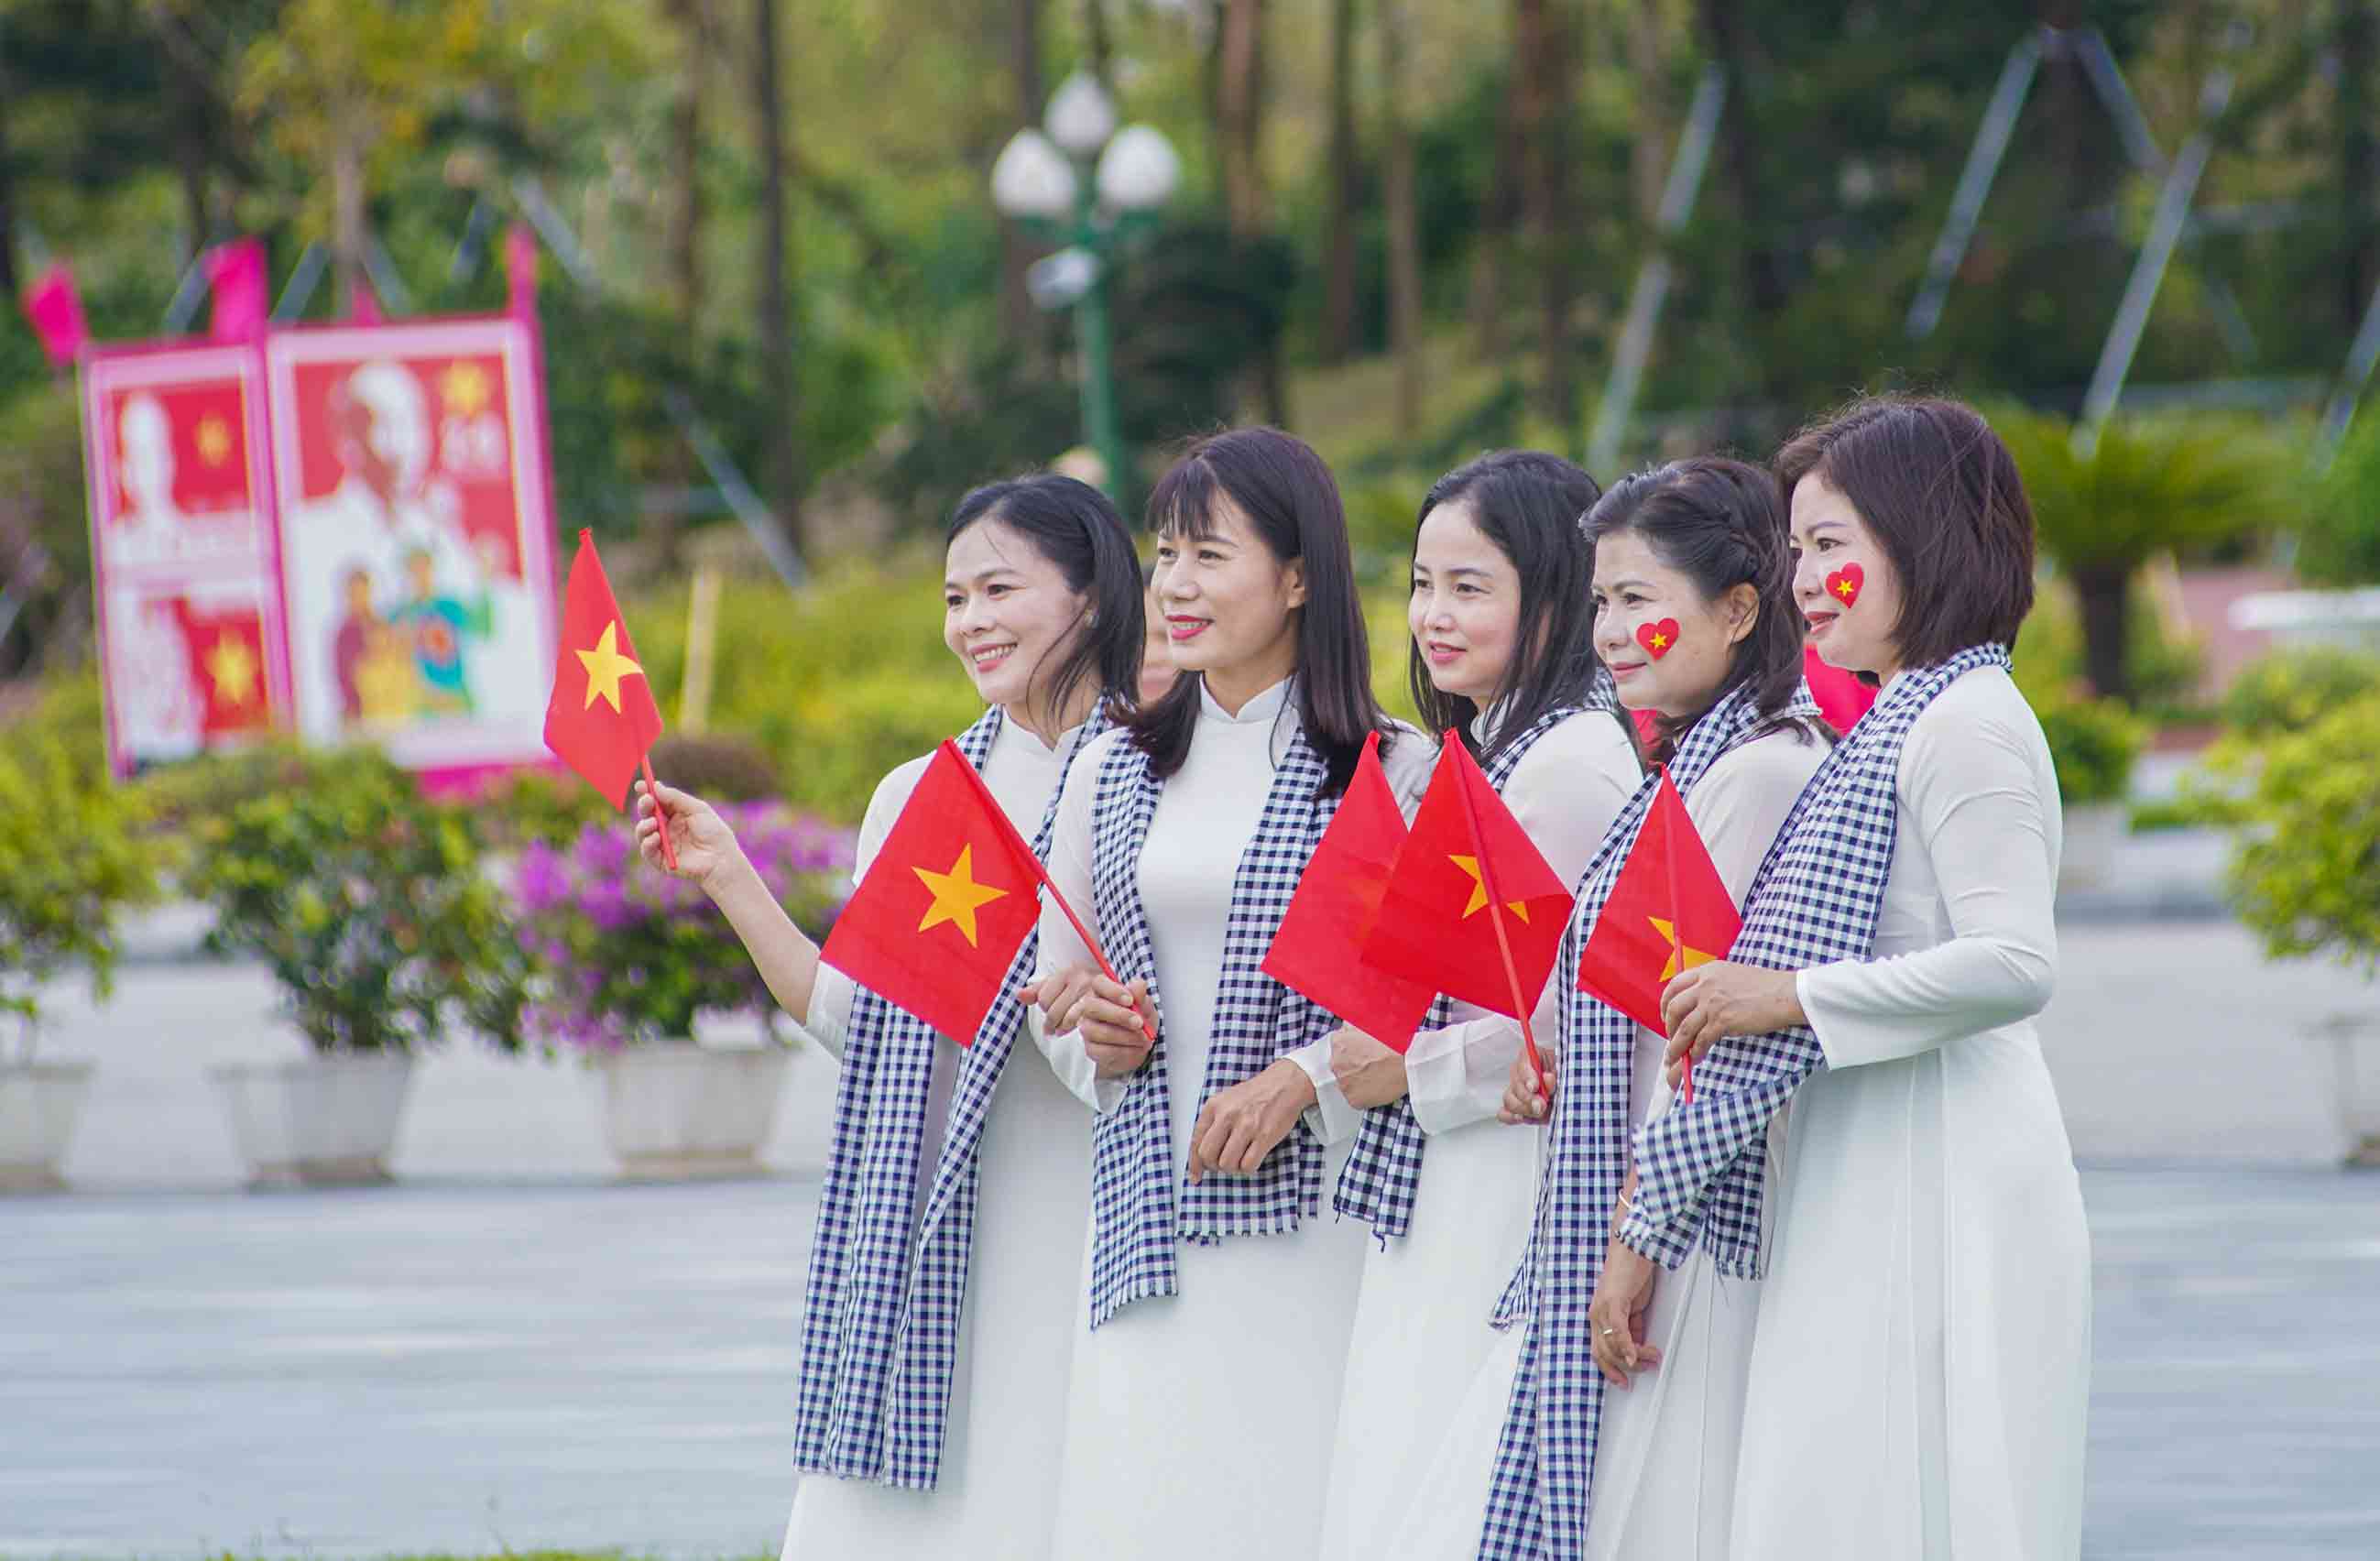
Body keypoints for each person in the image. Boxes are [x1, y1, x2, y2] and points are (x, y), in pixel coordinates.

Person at [635, 473, 1146, 1561]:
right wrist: (731, 875)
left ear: (1093, 595)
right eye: (954, 599)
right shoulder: (929, 795)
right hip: (940, 1232)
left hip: (1105, 1218)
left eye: (999, 589)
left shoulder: (1160, 771)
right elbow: (855, 1022)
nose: (971, 623)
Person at [1618, 398, 2089, 1559]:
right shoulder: (1906, 715)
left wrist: (1787, 995)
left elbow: (2015, 961)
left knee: (1908, 1490)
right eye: (1797, 550)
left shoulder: (1964, 720)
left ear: (1923, 539)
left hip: (1939, 1155)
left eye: (1832, 545)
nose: (1803, 580)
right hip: (1871, 1147)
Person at [1390, 457, 1831, 1560]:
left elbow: (1719, 1051)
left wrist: (1633, 1242)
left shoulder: (1756, 773)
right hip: (1623, 1220)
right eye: (1601, 602)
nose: (1612, 632)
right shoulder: (1691, 768)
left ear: (1738, 609)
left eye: (1640, 602)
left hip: (1675, 1238)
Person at [1024, 426, 1433, 1561]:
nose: (1177, 586)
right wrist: (1086, 1036)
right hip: (1150, 1206)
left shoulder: (1392, 771)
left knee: (1303, 1500)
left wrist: (1302, 1079)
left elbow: (1436, 1005)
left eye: (1211, 554)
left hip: (1327, 1217)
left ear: (1300, 576)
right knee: (1153, 1499)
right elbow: (1051, 979)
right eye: (1166, 556)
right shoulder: (1110, 764)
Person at [1316, 450, 1641, 1561]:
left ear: (1554, 590)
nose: (1431, 617)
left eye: (1469, 587)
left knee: (1455, 1479)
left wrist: (1405, 1071)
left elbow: (1568, 1024)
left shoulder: (1571, 765)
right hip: (1450, 1173)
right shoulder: (1499, 747)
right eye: (1420, 584)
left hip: (1516, 1180)